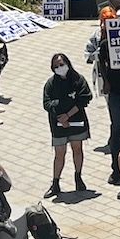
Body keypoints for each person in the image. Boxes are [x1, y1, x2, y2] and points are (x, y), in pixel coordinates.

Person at [42, 52, 93, 198]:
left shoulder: (78, 80)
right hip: (58, 124)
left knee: (77, 149)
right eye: (56, 66)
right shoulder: (50, 84)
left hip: (76, 121)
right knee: (59, 154)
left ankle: (78, 177)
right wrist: (60, 115)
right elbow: (47, 103)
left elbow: (84, 99)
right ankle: (56, 183)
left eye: (62, 64)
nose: (60, 68)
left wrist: (68, 115)